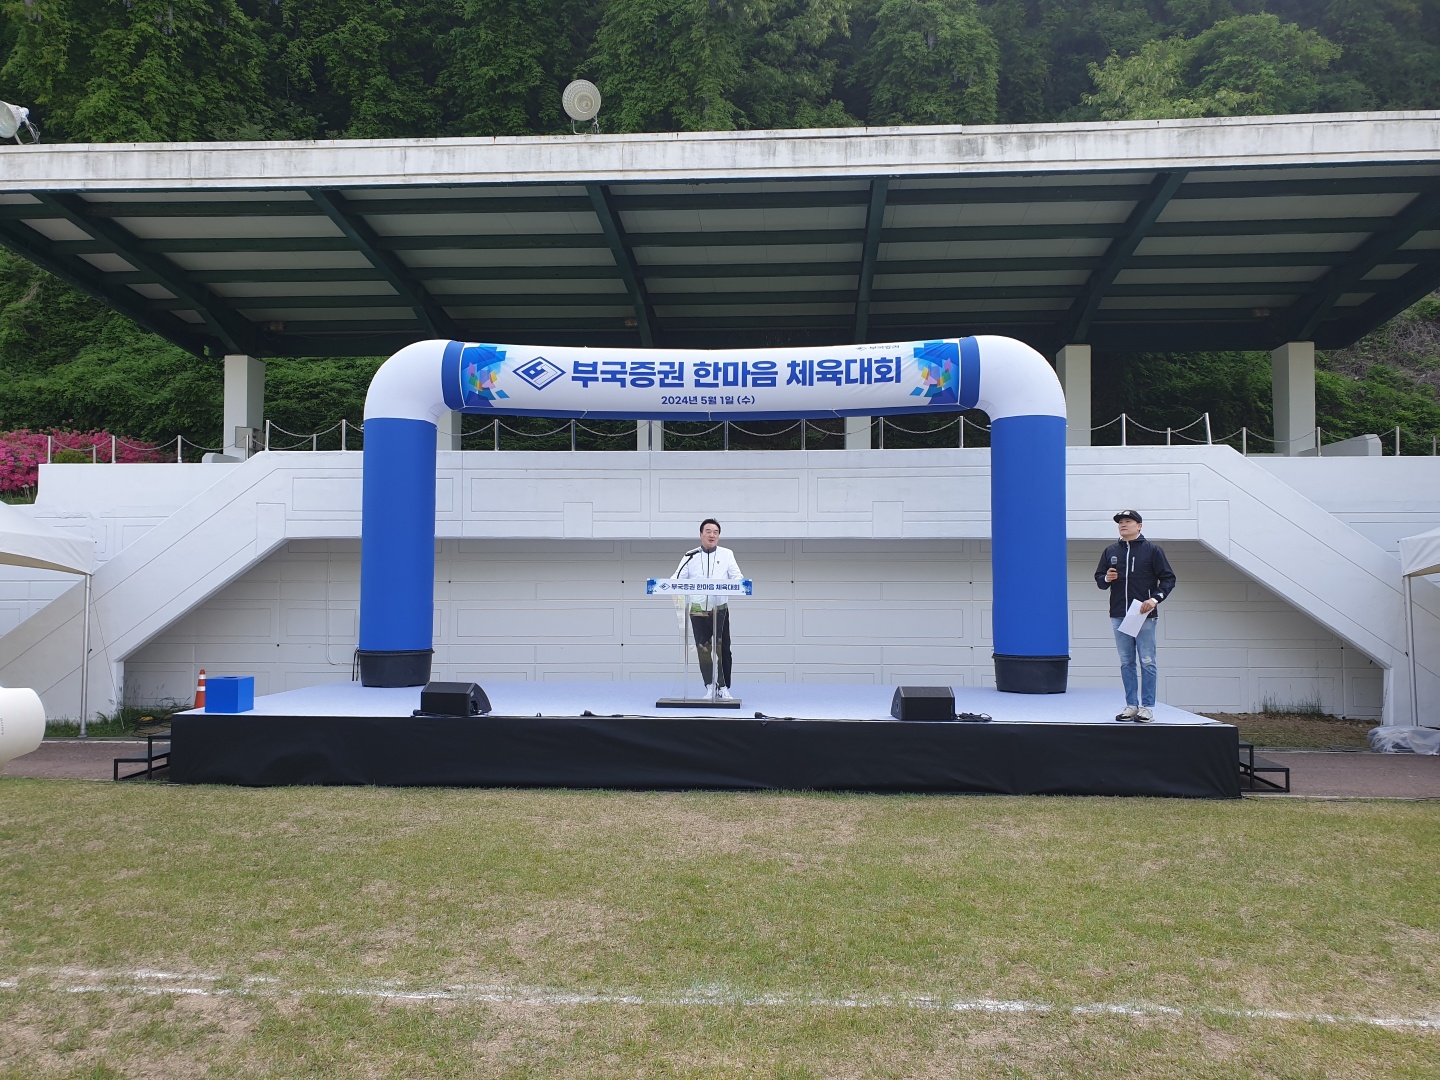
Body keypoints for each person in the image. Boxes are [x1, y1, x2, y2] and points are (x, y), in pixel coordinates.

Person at [1095, 510, 1176, 722]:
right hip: (1119, 614)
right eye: (1120, 522)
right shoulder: (1111, 551)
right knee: (1126, 662)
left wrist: (1154, 599)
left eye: (1128, 521)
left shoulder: (1153, 551)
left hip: (1144, 614)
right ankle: (1131, 705)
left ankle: (1147, 707)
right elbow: (1100, 581)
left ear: (1139, 526)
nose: (1123, 525)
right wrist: (1106, 578)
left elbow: (1168, 578)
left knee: (1147, 661)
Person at [673, 518, 743, 700]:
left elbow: (737, 577)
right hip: (697, 609)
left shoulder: (727, 554)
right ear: (701, 534)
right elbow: (676, 578)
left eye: (715, 532)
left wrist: (731, 585)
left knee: (723, 649)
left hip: (719, 608)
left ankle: (723, 686)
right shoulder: (690, 556)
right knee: (703, 649)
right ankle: (710, 686)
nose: (712, 535)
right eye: (708, 531)